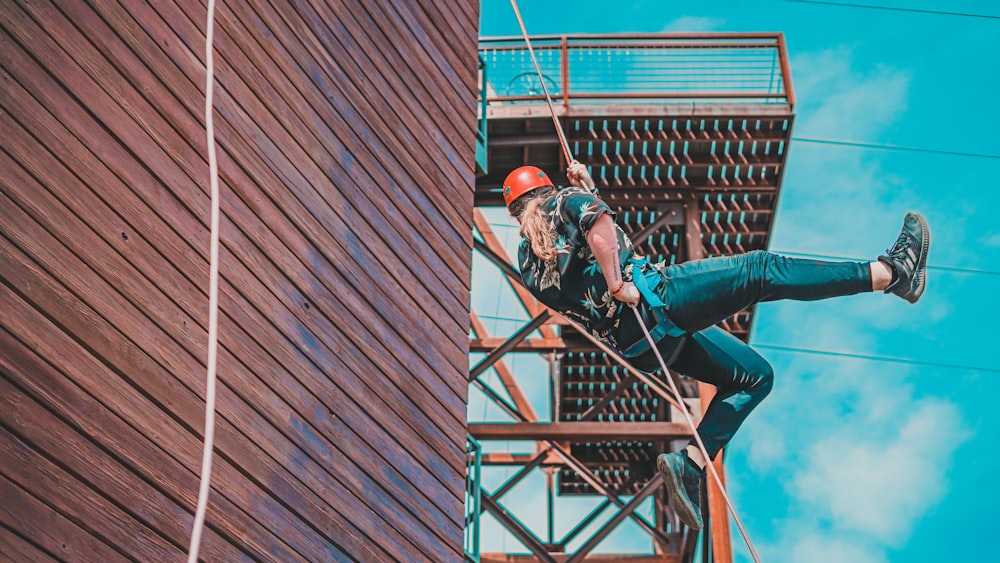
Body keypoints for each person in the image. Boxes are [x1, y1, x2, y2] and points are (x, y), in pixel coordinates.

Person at [503, 161, 930, 530]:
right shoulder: (563, 203)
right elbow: (599, 229)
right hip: (652, 300)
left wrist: (588, 192)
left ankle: (691, 463)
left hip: (640, 346)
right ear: (546, 190)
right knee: (760, 270)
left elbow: (578, 265)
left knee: (755, 377)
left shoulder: (528, 263)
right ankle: (890, 274)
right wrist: (616, 279)